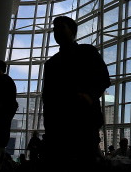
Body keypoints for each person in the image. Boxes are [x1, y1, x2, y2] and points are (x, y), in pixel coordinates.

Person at [41, 16, 111, 169]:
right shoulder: (54, 63)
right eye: (55, 29)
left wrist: (89, 96)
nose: (57, 32)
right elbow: (47, 97)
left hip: (75, 123)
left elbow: (104, 78)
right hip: (74, 123)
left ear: (72, 31)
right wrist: (89, 96)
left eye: (61, 28)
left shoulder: (54, 63)